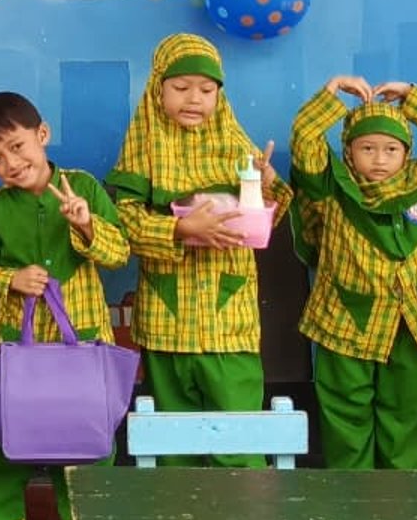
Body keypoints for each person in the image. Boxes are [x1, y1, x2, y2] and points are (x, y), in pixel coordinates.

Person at [0, 91, 129, 520]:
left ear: (43, 134)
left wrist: (84, 223)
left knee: (89, 445)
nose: (11, 163)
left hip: (83, 343)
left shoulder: (83, 187)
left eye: (17, 146)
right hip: (18, 345)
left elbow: (119, 252)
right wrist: (9, 278)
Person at [105, 33, 288, 455]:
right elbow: (123, 224)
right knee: (173, 447)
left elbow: (264, 225)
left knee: (238, 447)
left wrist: (267, 187)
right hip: (167, 324)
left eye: (206, 90)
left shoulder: (240, 148)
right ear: (157, 89)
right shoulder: (142, 151)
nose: (194, 99)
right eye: (181, 87)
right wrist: (180, 231)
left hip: (230, 325)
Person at [289, 76, 417, 470]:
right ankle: (352, 499)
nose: (379, 159)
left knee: (404, 414)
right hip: (344, 323)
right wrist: (331, 94)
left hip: (409, 325)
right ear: (348, 151)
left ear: (406, 154)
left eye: (391, 149)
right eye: (367, 148)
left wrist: (412, 95)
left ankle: (406, 503)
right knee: (345, 416)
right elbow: (305, 140)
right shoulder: (332, 188)